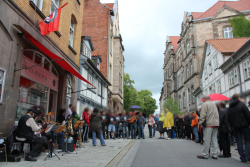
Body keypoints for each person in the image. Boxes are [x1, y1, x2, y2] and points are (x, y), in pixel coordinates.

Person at [228, 94, 250, 163]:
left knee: (239, 142)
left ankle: (242, 157)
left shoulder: (230, 107)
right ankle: (247, 156)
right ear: (238, 98)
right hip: (244, 126)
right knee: (247, 141)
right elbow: (248, 115)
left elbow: (228, 118)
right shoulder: (242, 105)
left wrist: (232, 125)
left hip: (235, 127)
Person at [197, 95, 219, 160]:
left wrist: (200, 123)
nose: (202, 100)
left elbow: (203, 114)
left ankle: (205, 154)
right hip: (215, 123)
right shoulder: (214, 104)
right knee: (214, 139)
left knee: (206, 139)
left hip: (208, 124)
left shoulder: (205, 104)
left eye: (202, 99)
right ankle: (215, 154)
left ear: (204, 99)